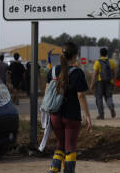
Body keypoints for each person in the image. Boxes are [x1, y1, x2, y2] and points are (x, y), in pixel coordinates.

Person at [46, 42, 92, 173]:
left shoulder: (53, 71)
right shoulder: (77, 73)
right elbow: (81, 95)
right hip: (71, 116)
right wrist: (88, 116)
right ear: (76, 55)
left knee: (60, 145)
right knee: (70, 147)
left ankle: (52, 171)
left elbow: (47, 93)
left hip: (55, 115)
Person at [90, 48, 116, 120]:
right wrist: (114, 81)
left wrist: (91, 84)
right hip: (109, 82)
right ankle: (111, 107)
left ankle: (101, 114)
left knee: (99, 98)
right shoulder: (111, 62)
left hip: (100, 82)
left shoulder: (97, 62)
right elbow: (114, 73)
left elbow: (94, 74)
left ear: (100, 54)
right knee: (108, 97)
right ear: (107, 54)